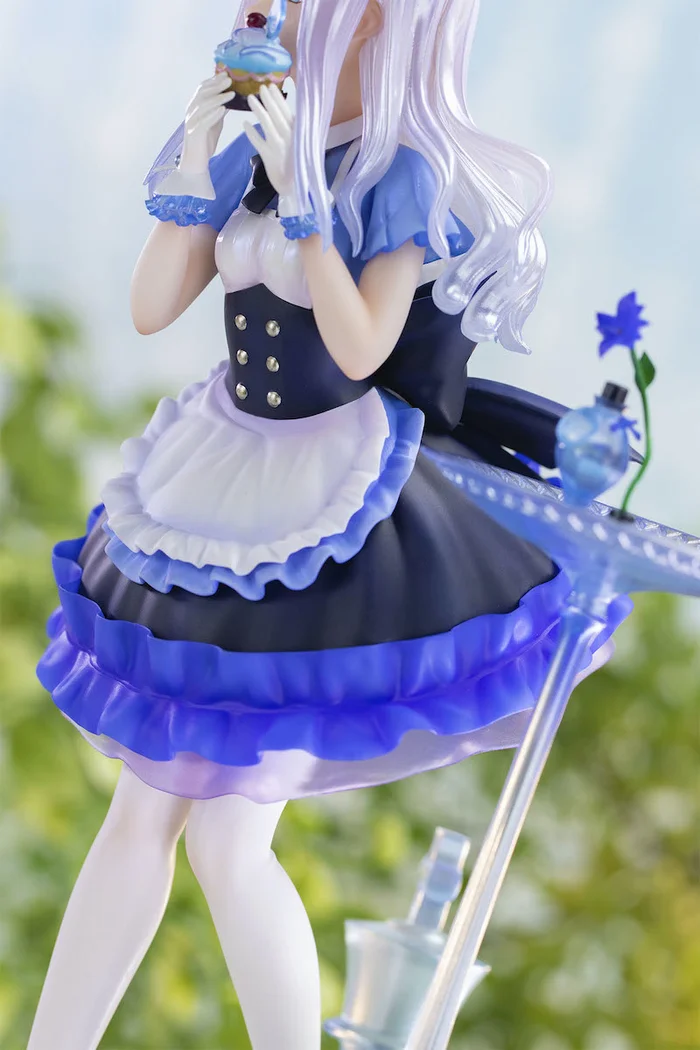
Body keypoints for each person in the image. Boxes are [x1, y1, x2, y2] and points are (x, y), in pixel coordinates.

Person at [29, 1, 628, 1048]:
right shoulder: (251, 143)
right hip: (216, 471)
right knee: (140, 810)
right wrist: (204, 148)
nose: (283, 20)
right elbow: (151, 304)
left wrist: (306, 203)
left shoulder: (398, 174)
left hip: (326, 491)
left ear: (379, 25)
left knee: (227, 840)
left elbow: (359, 350)